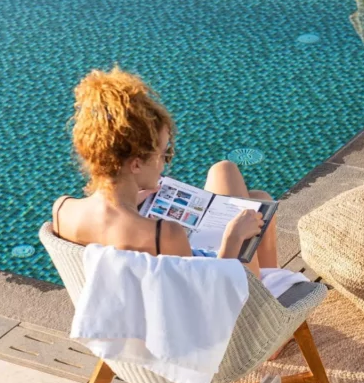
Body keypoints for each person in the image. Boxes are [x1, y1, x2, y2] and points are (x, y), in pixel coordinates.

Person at [51, 66, 278, 279]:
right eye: (164, 153)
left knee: (255, 197)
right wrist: (233, 238)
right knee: (252, 209)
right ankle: (272, 302)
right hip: (228, 299)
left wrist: (131, 202)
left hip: (129, 298)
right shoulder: (164, 235)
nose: (165, 163)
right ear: (136, 164)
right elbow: (206, 301)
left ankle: (276, 292)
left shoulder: (63, 210)